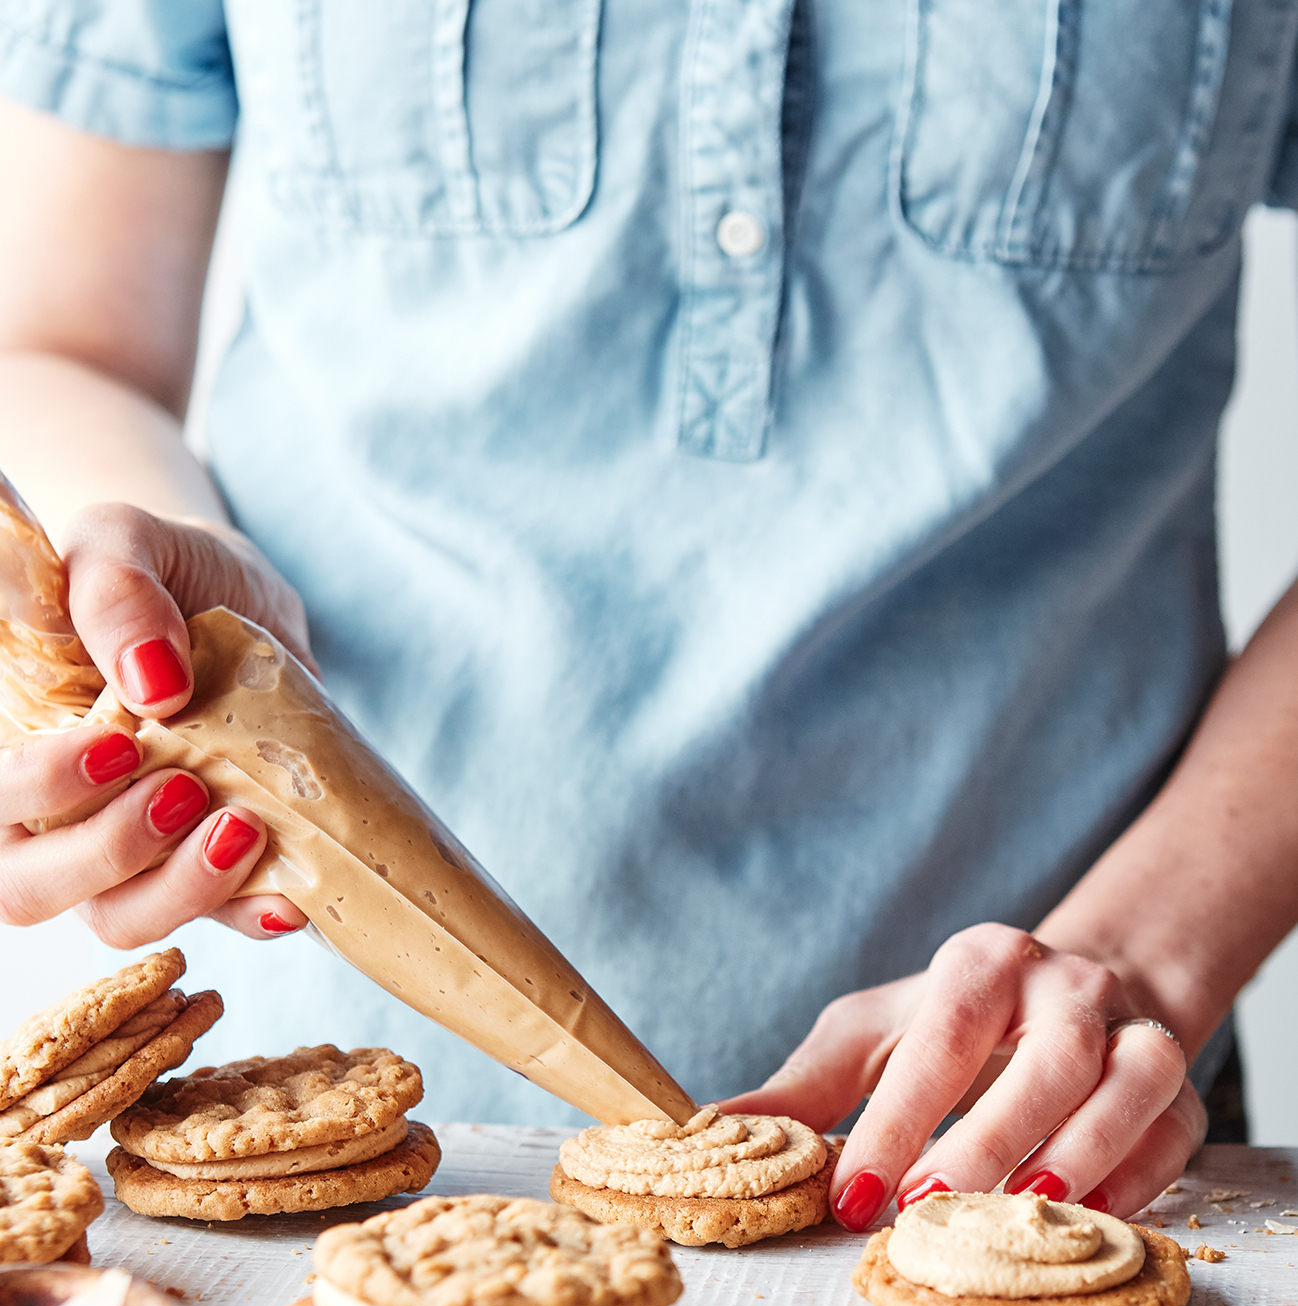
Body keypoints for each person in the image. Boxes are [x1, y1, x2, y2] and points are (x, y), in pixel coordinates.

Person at [1, 2, 1296, 1234]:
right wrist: (161, 604)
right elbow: (68, 341)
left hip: (1060, 1128)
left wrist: (1141, 953)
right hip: (307, 1110)